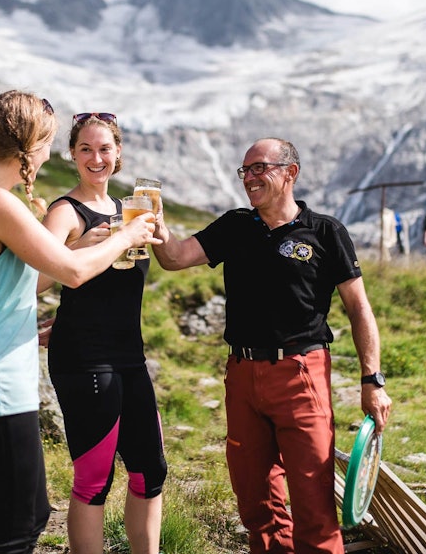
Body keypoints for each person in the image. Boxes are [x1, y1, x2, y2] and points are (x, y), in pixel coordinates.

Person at [0, 91, 158, 554]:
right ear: (28, 147)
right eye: (49, 144)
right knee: (20, 524)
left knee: (26, 515)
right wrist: (130, 235)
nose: (45, 156)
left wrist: (57, 323)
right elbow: (69, 271)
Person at [154, 137, 393, 554]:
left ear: (290, 173)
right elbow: (174, 258)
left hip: (302, 374)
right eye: (245, 171)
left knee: (313, 502)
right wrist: (156, 228)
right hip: (242, 375)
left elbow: (360, 308)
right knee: (256, 501)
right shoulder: (235, 226)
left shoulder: (326, 232)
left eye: (259, 168)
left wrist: (372, 379)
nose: (250, 178)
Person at [38, 112, 167, 554]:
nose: (97, 158)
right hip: (83, 358)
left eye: (105, 148)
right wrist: (78, 246)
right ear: (72, 154)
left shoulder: (130, 210)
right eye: (86, 149)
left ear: (119, 154)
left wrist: (158, 232)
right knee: (95, 478)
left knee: (151, 471)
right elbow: (33, 279)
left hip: (129, 354)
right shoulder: (65, 211)